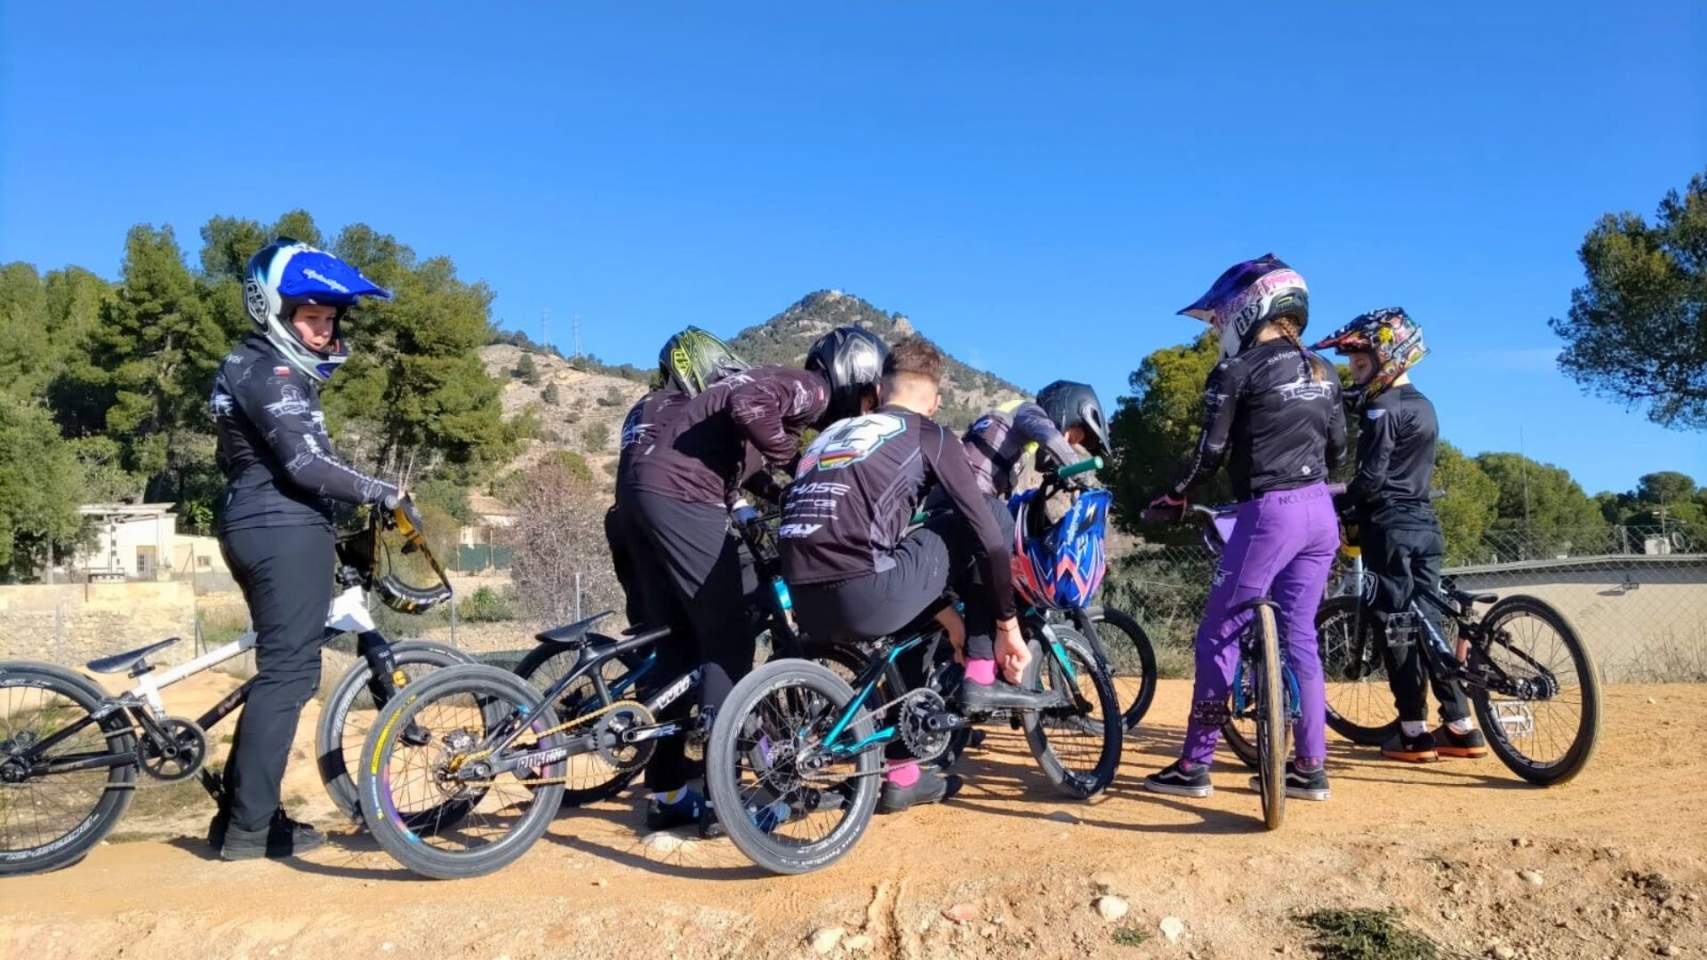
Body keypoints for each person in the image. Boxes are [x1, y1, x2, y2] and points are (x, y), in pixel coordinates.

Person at [614, 326, 864, 833]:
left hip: (637, 503)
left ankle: (667, 794)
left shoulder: (684, 412)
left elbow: (745, 474)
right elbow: (752, 405)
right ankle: (730, 799)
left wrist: (783, 494)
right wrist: (799, 464)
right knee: (727, 644)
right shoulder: (806, 388)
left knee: (680, 648)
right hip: (684, 501)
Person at [209, 239, 407, 860]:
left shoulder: (258, 365)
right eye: (310, 318)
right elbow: (303, 463)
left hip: (272, 522)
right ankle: (248, 831)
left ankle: (244, 818)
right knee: (290, 676)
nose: (322, 332)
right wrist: (383, 493)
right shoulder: (268, 368)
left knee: (280, 675)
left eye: (329, 319)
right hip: (278, 523)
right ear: (273, 310)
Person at [780, 335, 1031, 812]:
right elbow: (990, 540)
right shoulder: (928, 434)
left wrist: (945, 615)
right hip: (867, 593)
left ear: (879, 387)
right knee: (992, 517)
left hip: (806, 604)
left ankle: (903, 777)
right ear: (935, 400)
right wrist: (1006, 627)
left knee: (907, 628)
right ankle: (980, 672)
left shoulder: (836, 435)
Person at [1140, 254, 1346, 802]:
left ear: (1245, 309)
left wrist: (1175, 494)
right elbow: (1339, 448)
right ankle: (1311, 769)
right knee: (1301, 637)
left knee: (1219, 633)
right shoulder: (1324, 372)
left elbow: (1208, 455)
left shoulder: (1238, 371)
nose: (1214, 329)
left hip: (1268, 514)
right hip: (1321, 513)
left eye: (1216, 318)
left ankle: (1195, 764)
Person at [1314, 308, 1487, 762]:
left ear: (1387, 356)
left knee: (1397, 627)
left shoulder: (1381, 409)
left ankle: (1412, 732)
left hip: (1388, 528)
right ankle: (1461, 725)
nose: (1354, 372)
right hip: (1426, 525)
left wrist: (1332, 503)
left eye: (1361, 363)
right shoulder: (1424, 406)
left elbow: (1370, 480)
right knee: (1430, 624)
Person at [936, 382, 1105, 708]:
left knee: (974, 585)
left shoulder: (1002, 423)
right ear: (1062, 411)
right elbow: (1051, 438)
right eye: (1075, 433)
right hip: (971, 504)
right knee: (987, 584)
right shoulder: (1029, 412)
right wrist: (1081, 476)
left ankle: (960, 702)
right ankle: (981, 678)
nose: (1071, 441)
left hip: (949, 503)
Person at [607, 327, 750, 628]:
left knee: (663, 635)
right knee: (726, 633)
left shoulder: (645, 406)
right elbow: (720, 468)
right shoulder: (688, 410)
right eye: (718, 377)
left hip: (624, 522)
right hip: (670, 516)